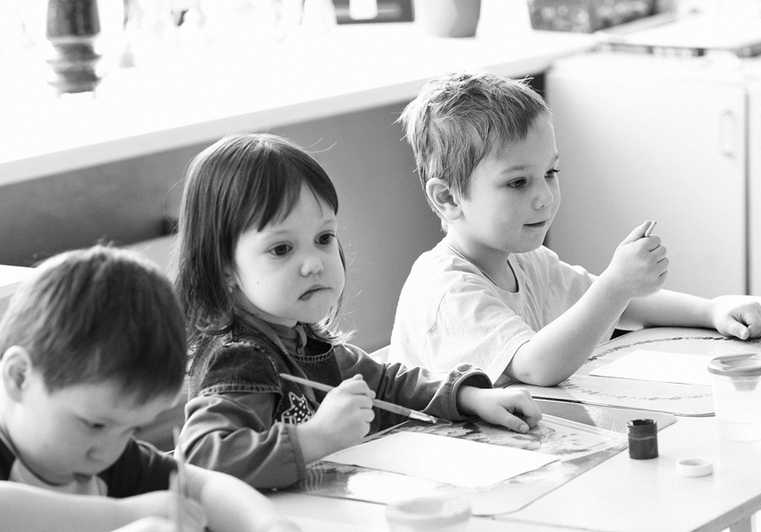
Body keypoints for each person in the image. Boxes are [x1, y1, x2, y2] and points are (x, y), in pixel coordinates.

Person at [174, 132, 542, 490]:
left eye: (323, 238)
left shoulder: (305, 339)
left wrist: (469, 397)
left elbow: (386, 385)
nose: (314, 264)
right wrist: (315, 438)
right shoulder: (239, 359)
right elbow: (202, 459)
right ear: (224, 268)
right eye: (281, 249)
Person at [388, 71, 761, 387]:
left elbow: (621, 305)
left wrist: (712, 310)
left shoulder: (526, 262)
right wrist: (616, 284)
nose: (545, 197)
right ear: (448, 198)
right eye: (517, 182)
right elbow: (536, 366)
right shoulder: (448, 292)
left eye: (550, 172)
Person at [0, 245, 300, 532]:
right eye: (94, 425)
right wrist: (122, 516)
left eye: (131, 430)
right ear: (19, 377)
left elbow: (207, 487)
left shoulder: (107, 453)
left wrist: (271, 526)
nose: (107, 453)